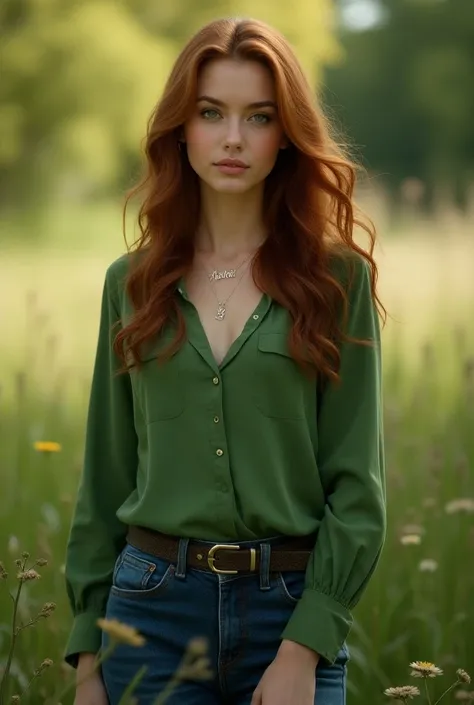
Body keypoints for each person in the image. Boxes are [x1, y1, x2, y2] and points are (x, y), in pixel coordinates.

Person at [64, 15, 387, 705]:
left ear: (286, 134)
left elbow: (359, 486)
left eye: (259, 116)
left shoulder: (338, 282)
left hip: (291, 612)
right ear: (182, 128)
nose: (234, 138)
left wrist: (306, 645)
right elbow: (104, 478)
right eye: (212, 113)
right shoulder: (131, 284)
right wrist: (87, 658)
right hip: (147, 615)